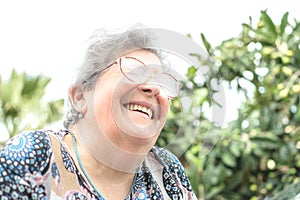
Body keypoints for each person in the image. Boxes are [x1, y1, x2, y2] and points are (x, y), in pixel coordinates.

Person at [0, 25, 197, 199]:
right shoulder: (34, 154)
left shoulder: (166, 170)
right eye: (135, 71)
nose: (153, 88)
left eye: (161, 82)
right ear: (80, 97)